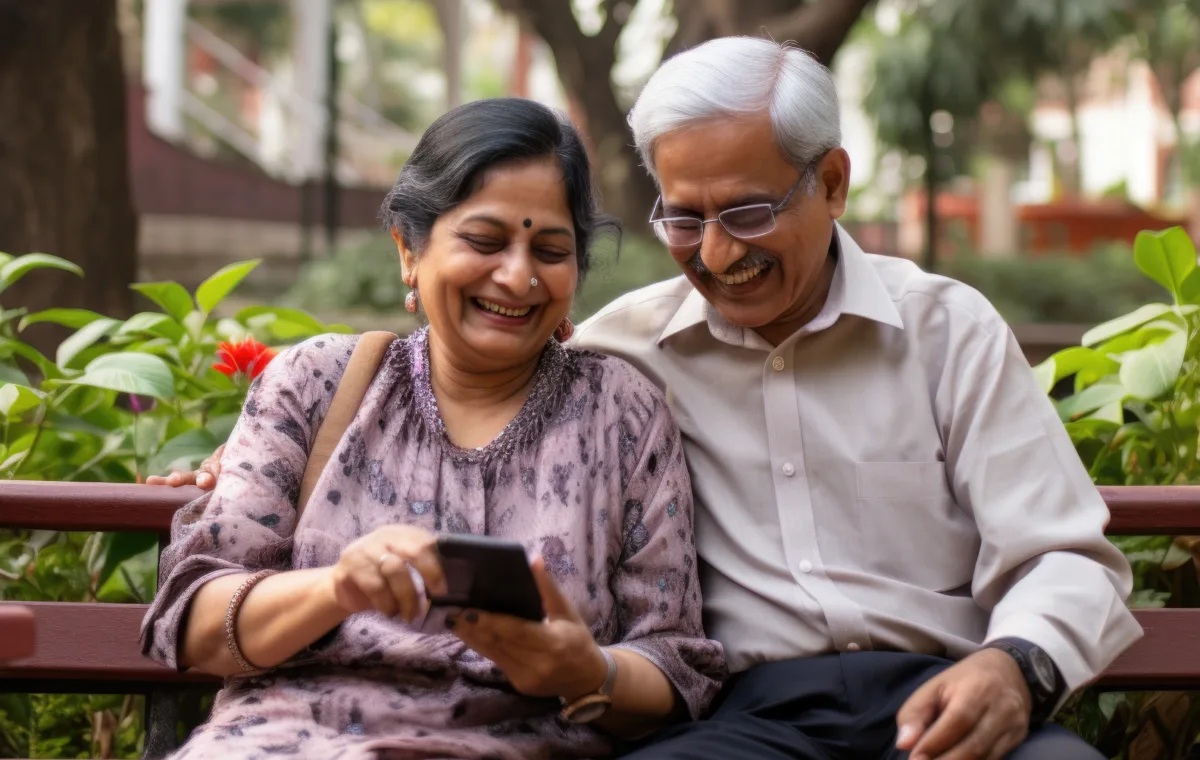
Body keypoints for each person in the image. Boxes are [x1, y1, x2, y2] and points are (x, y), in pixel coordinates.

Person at [169, 37, 1143, 760]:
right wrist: (246, 467)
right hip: (754, 721)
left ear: (834, 182)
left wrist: (1018, 665)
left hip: (947, 692)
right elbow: (465, 378)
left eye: (750, 212)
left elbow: (1065, 554)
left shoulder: (946, 330)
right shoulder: (623, 347)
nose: (718, 253)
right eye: (685, 216)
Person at [140, 97, 724, 760]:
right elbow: (193, 625)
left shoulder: (623, 415)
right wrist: (338, 588)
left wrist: (587, 672)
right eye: (484, 241)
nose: (518, 275)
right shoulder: (316, 383)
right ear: (408, 249)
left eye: (551, 249)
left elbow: (675, 662)